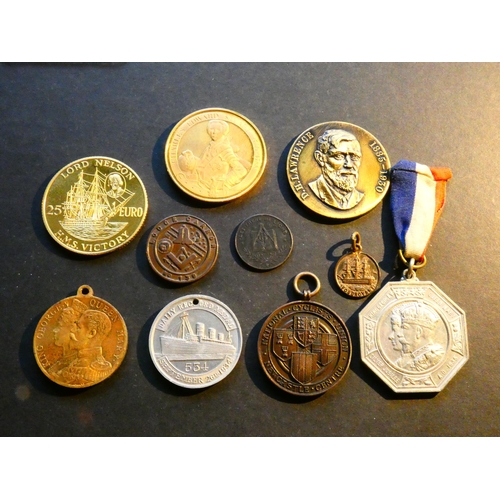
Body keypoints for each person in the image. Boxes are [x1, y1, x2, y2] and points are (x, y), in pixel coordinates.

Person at [179, 119, 249, 195]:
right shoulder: (210, 147)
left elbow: (241, 170)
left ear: (223, 132)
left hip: (212, 188)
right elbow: (202, 164)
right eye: (211, 129)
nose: (213, 132)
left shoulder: (224, 149)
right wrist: (190, 159)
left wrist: (225, 184)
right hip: (200, 182)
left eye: (217, 129)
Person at [309, 129, 364, 210]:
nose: (349, 164)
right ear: (320, 158)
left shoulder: (360, 197)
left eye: (355, 157)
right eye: (339, 156)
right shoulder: (312, 190)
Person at [61, 309, 113, 384]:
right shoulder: (76, 361)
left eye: (78, 327)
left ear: (91, 333)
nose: (73, 331)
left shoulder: (96, 369)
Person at [389, 302, 445, 372]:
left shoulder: (435, 355)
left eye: (404, 327)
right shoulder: (404, 360)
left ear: (418, 332)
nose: (399, 333)